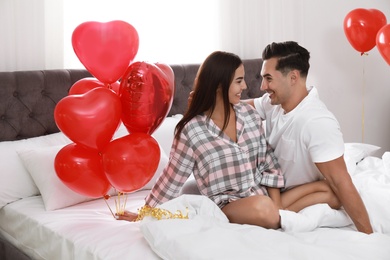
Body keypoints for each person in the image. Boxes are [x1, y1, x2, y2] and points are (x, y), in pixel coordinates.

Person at [118, 51, 285, 229]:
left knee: (316, 191)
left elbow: (268, 164)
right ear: (219, 84)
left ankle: (279, 214)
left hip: (261, 196)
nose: (244, 86)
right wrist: (146, 213)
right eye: (238, 81)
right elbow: (173, 177)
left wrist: (279, 207)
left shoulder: (249, 114)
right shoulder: (191, 130)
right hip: (227, 205)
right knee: (264, 207)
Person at [244, 41, 373, 234]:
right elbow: (241, 107)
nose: (262, 86)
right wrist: (206, 102)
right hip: (269, 187)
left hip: (287, 193)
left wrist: (369, 236)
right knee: (330, 191)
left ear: (293, 77)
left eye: (268, 78)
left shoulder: (316, 121)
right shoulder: (273, 103)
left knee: (334, 191)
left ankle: (279, 212)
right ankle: (279, 211)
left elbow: (341, 182)